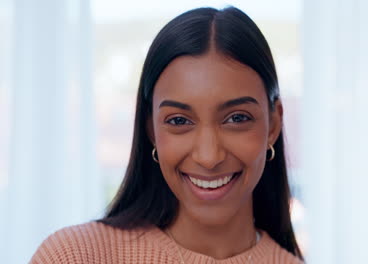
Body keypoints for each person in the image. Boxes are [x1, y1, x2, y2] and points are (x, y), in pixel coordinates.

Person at [30, 6, 304, 264]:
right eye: (179, 120)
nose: (209, 157)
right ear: (151, 129)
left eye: (237, 118)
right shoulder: (73, 257)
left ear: (273, 125)